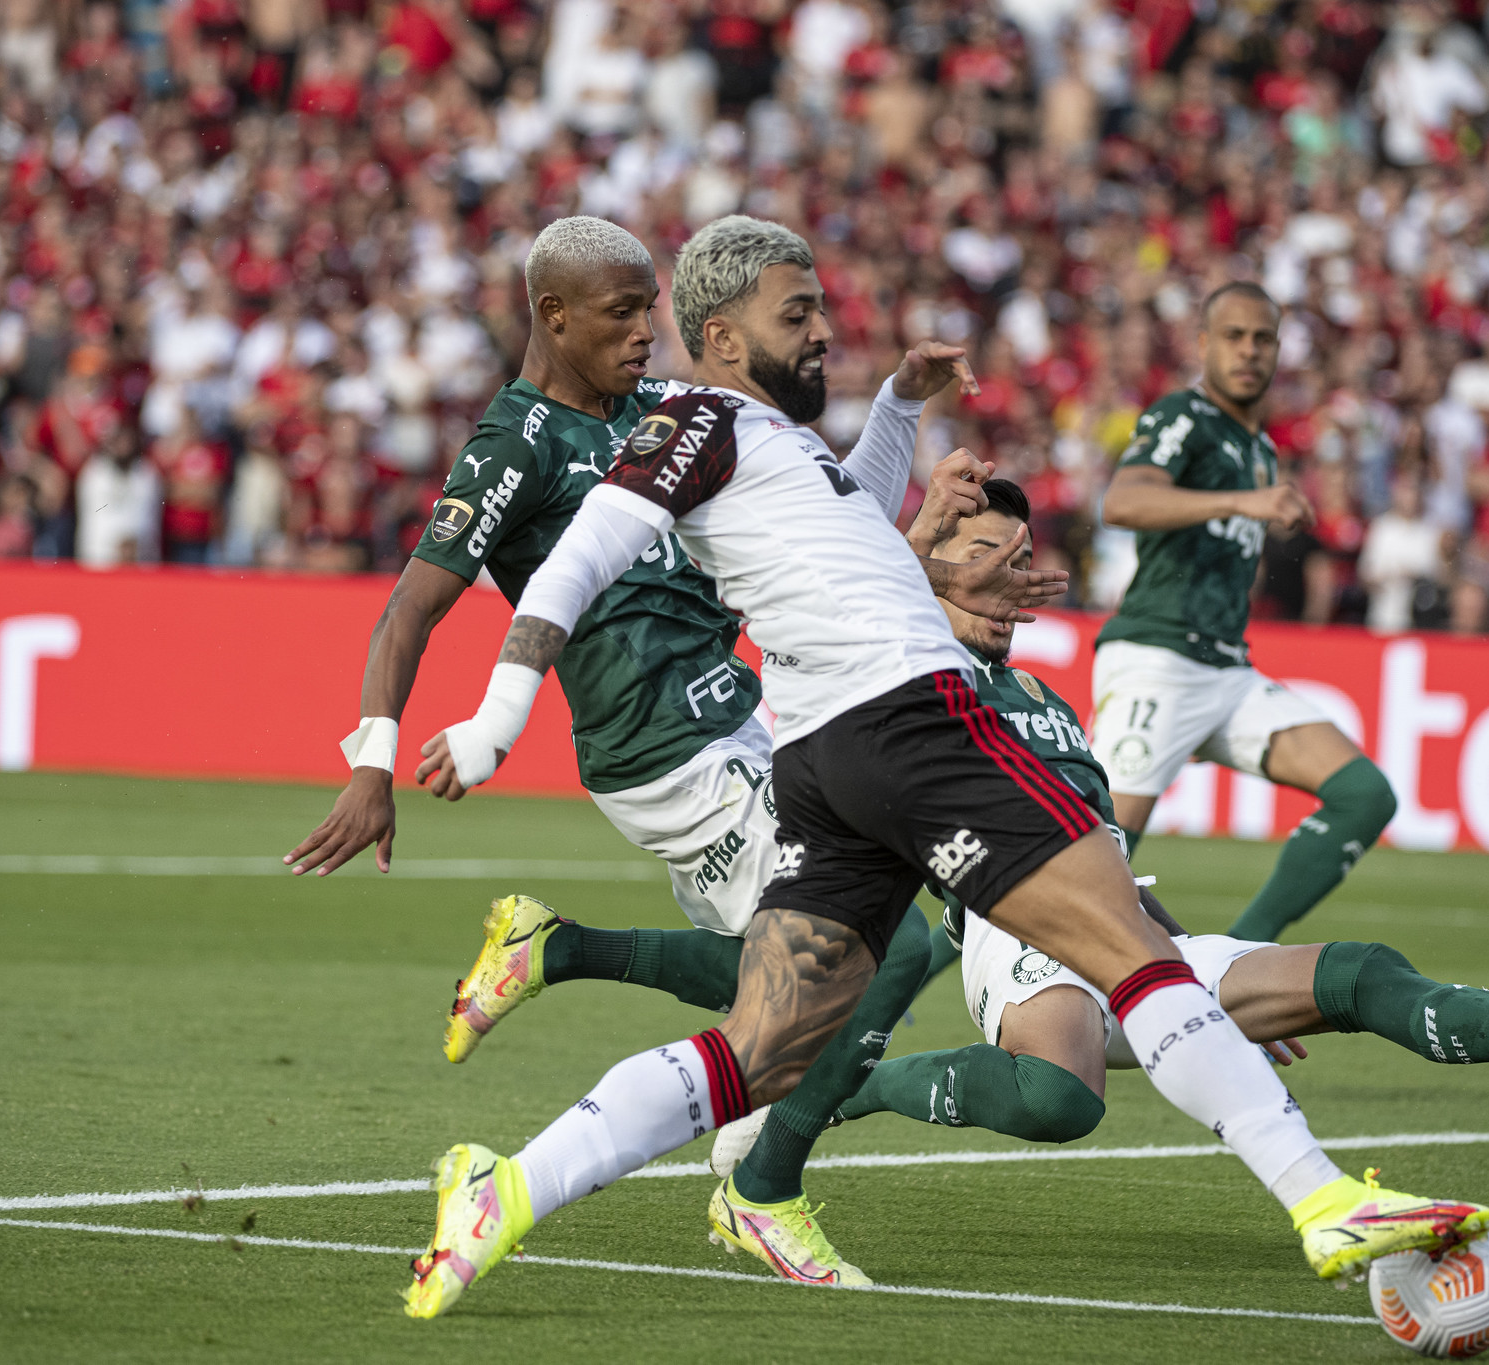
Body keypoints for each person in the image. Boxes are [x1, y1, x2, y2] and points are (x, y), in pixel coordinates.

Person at [403, 215, 1489, 1320]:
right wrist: (499, 714)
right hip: (908, 724)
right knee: (1132, 947)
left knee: (761, 1049)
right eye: (798, 313)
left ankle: (507, 1189)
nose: (826, 328)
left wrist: (897, 409)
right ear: (721, 337)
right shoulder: (696, 421)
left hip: (828, 767)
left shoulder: (752, 440)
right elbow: (581, 551)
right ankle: (1319, 1200)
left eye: (820, 306)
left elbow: (857, 519)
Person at [280, 214, 972, 1289]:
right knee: (886, 954)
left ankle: (553, 956)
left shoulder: (664, 415)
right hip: (664, 749)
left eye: (651, 310)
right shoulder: (516, 446)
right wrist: (373, 761)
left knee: (780, 977)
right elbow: (409, 612)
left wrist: (896, 410)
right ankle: (755, 1185)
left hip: (739, 724)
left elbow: (832, 511)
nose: (646, 333)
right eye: (620, 313)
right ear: (551, 316)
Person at [707, 479, 1489, 1168]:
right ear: (925, 573)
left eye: (1022, 559)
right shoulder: (903, 688)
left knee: (1357, 973)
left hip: (1119, 934)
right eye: (986, 554)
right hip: (1010, 942)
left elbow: (1098, 855)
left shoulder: (1047, 702)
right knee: (1062, 1101)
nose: (1013, 576)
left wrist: (1176, 953)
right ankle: (864, 1089)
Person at [1094, 282, 1399, 943]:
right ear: (1203, 344)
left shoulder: (1258, 450)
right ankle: (871, 1019)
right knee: (1079, 867)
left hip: (1225, 669)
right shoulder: (1185, 417)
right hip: (1159, 660)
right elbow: (1123, 501)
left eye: (1262, 338)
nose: (1248, 351)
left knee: (1365, 794)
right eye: (1233, 336)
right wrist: (1241, 504)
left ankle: (1238, 962)